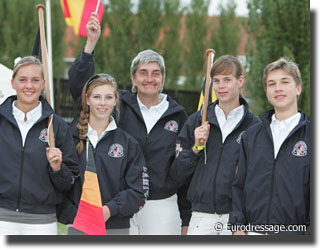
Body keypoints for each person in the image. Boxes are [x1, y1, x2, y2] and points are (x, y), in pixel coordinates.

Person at [68, 13, 190, 235]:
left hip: (160, 206)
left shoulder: (179, 117)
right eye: (143, 73)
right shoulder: (118, 105)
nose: (149, 79)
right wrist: (90, 44)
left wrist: (186, 219)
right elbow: (80, 89)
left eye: (155, 74)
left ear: (163, 80)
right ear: (133, 79)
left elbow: (184, 171)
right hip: (118, 207)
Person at [170, 55, 260, 235]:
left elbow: (256, 180)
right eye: (216, 81)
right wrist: (195, 148)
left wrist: (243, 221)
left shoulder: (254, 127)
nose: (221, 86)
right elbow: (176, 176)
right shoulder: (197, 120)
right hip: (200, 217)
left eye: (227, 80)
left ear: (240, 81)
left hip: (235, 219)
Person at [229, 57, 310, 235]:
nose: (278, 88)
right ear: (266, 91)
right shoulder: (250, 137)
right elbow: (238, 186)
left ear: (298, 88)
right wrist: (237, 227)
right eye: (271, 83)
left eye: (284, 82)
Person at [0, 56, 78, 235]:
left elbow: (69, 182)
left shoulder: (57, 126)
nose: (29, 86)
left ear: (43, 83)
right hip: (2, 219)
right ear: (13, 83)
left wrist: (58, 169)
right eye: (23, 80)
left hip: (41, 223)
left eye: (35, 80)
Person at [64, 73, 148, 235]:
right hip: (78, 225)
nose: (103, 103)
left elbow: (139, 191)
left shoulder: (128, 143)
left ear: (116, 100)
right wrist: (74, 214)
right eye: (97, 97)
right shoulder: (71, 139)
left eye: (108, 97)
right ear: (87, 100)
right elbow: (62, 184)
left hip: (116, 228)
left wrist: (109, 210)